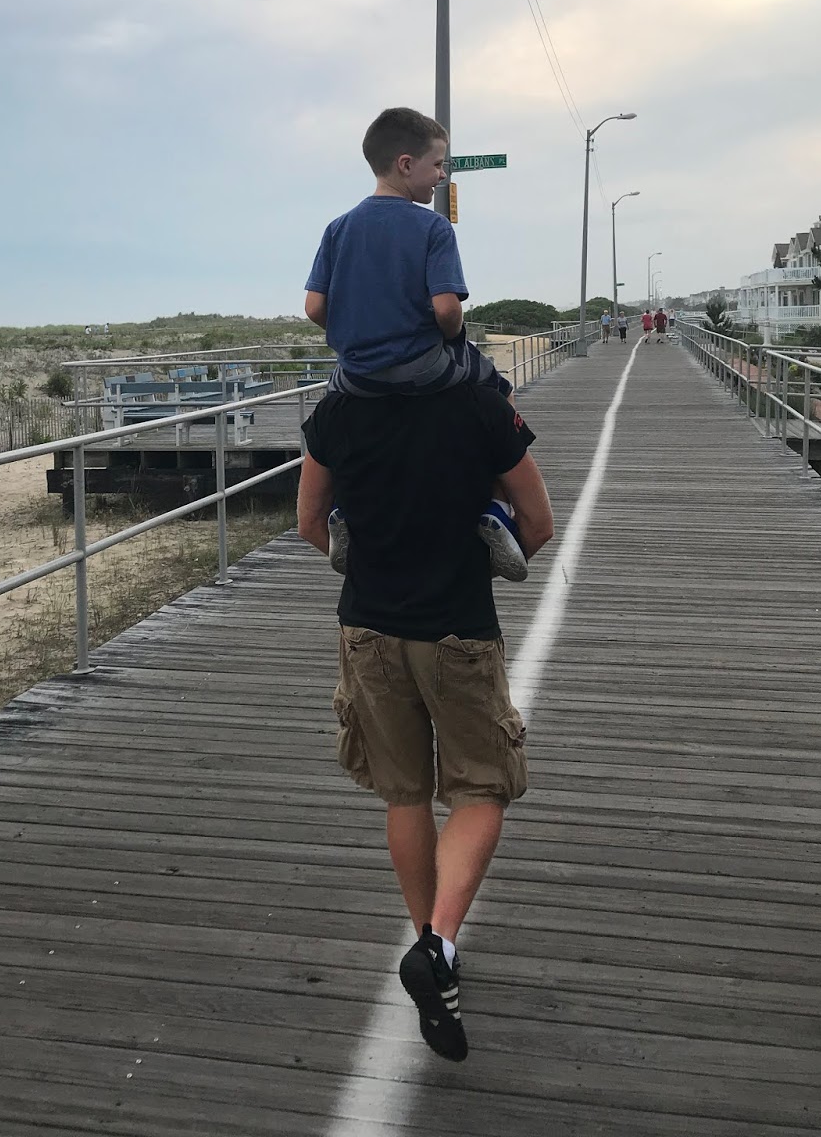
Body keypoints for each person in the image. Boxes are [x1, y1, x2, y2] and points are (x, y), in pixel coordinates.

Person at [297, 379, 554, 1062]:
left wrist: (378, 568)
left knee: (404, 794)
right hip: (457, 629)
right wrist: (476, 560)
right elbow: (538, 524)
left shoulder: (338, 408)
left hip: (367, 629)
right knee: (482, 787)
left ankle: (429, 945)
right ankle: (438, 948)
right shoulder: (480, 403)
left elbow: (310, 523)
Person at [304, 107, 528, 582]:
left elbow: (314, 307)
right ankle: (496, 507)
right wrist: (450, 336)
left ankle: (341, 509)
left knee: (331, 416)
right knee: (500, 389)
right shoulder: (433, 227)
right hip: (422, 367)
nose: (443, 176)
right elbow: (446, 309)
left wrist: (352, 333)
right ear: (406, 165)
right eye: (438, 165)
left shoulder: (337, 228)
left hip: (356, 376)